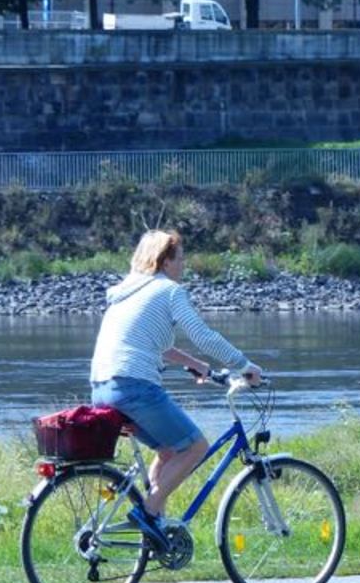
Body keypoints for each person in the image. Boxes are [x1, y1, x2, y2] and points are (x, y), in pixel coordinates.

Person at [90, 229, 263, 551]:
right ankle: (149, 510)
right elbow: (203, 335)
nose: (184, 265)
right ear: (164, 260)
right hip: (134, 386)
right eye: (180, 258)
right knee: (195, 447)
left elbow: (158, 346)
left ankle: (155, 531)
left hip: (103, 388)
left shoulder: (127, 292)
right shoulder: (169, 291)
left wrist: (202, 368)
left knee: (169, 452)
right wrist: (244, 365)